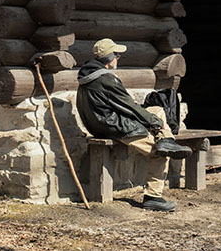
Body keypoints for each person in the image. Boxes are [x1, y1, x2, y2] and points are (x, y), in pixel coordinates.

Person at [76, 38, 192, 212]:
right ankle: (153, 196)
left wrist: (155, 119)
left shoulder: (87, 77)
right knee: (159, 153)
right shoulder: (106, 79)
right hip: (115, 127)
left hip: (103, 123)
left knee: (157, 110)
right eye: (117, 55)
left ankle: (167, 139)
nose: (118, 59)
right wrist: (158, 124)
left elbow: (121, 106)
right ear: (109, 58)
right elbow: (129, 106)